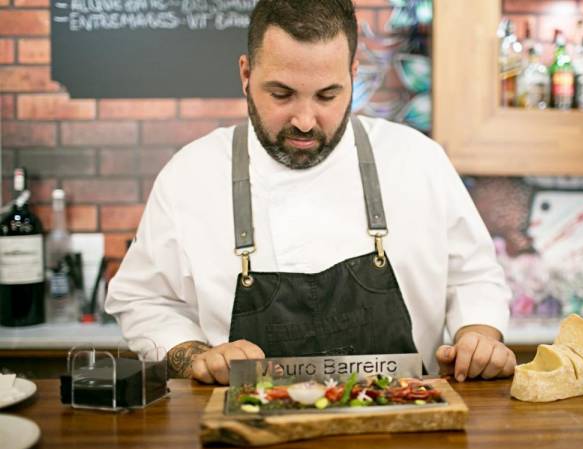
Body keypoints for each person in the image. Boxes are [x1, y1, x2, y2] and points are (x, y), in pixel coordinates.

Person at [105, 0, 515, 385]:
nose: (304, 120)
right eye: (281, 94)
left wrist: (477, 335)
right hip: (245, 442)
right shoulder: (190, 176)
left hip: (401, 436)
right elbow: (146, 300)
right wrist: (194, 355)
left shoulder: (417, 161)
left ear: (353, 73)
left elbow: (473, 276)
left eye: (327, 95)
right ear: (246, 74)